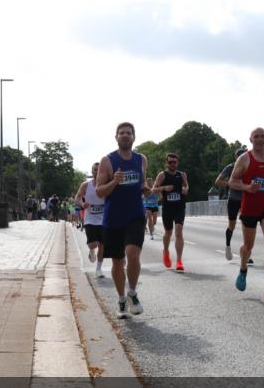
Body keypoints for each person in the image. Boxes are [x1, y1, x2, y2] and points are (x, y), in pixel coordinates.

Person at [95, 122, 148, 317]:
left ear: (134, 137)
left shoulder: (141, 160)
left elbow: (141, 183)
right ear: (116, 137)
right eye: (122, 133)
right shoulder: (108, 161)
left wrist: (145, 189)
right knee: (118, 262)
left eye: (129, 133)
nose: (125, 136)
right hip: (113, 218)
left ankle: (132, 293)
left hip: (135, 215)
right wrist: (114, 182)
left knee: (133, 254)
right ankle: (121, 300)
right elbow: (100, 192)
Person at [228, 128, 264, 300]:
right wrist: (247, 187)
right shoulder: (244, 159)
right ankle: (243, 268)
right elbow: (232, 181)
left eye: (262, 136)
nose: (259, 139)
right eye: (256, 136)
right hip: (249, 207)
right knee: (248, 247)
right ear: (250, 139)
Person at [153, 152, 189, 272]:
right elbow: (153, 190)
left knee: (179, 232)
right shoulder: (162, 175)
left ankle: (179, 260)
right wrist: (164, 188)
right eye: (170, 162)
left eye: (174, 162)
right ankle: (166, 251)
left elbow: (186, 186)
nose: (172, 164)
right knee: (168, 232)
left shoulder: (182, 174)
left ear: (177, 163)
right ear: (166, 163)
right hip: (168, 208)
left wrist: (185, 189)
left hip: (179, 207)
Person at [216, 149, 247, 261]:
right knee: (232, 226)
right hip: (233, 199)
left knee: (247, 226)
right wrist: (230, 184)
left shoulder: (250, 165)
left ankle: (246, 253)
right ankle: (228, 246)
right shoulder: (230, 167)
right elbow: (218, 181)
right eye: (239, 157)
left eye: (243, 155)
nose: (241, 158)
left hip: (246, 199)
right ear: (235, 158)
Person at [76, 163, 106, 278]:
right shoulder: (86, 185)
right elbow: (77, 197)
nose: (96, 172)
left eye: (98, 170)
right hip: (90, 219)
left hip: (103, 219)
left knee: (102, 244)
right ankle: (91, 250)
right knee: (93, 244)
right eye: (94, 170)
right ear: (92, 171)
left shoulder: (105, 185)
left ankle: (98, 269)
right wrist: (82, 203)